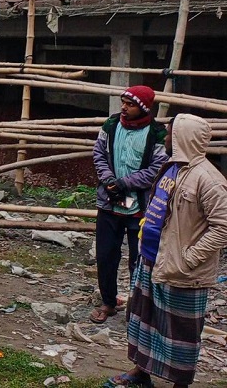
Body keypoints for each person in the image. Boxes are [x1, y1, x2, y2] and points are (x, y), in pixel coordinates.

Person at [106, 114, 227, 388]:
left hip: (182, 269)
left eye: (171, 133)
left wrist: (189, 258)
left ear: (184, 137)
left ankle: (179, 384)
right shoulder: (171, 167)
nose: (167, 138)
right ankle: (141, 372)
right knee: (143, 319)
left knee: (180, 332)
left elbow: (223, 228)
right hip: (151, 259)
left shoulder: (209, 180)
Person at [90, 85, 168, 324]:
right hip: (109, 203)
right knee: (105, 255)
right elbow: (99, 153)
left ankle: (137, 306)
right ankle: (108, 302)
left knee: (139, 258)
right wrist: (108, 179)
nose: (124, 107)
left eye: (130, 104)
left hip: (140, 209)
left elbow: (157, 168)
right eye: (123, 102)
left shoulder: (157, 134)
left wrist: (125, 182)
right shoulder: (111, 125)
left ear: (143, 107)